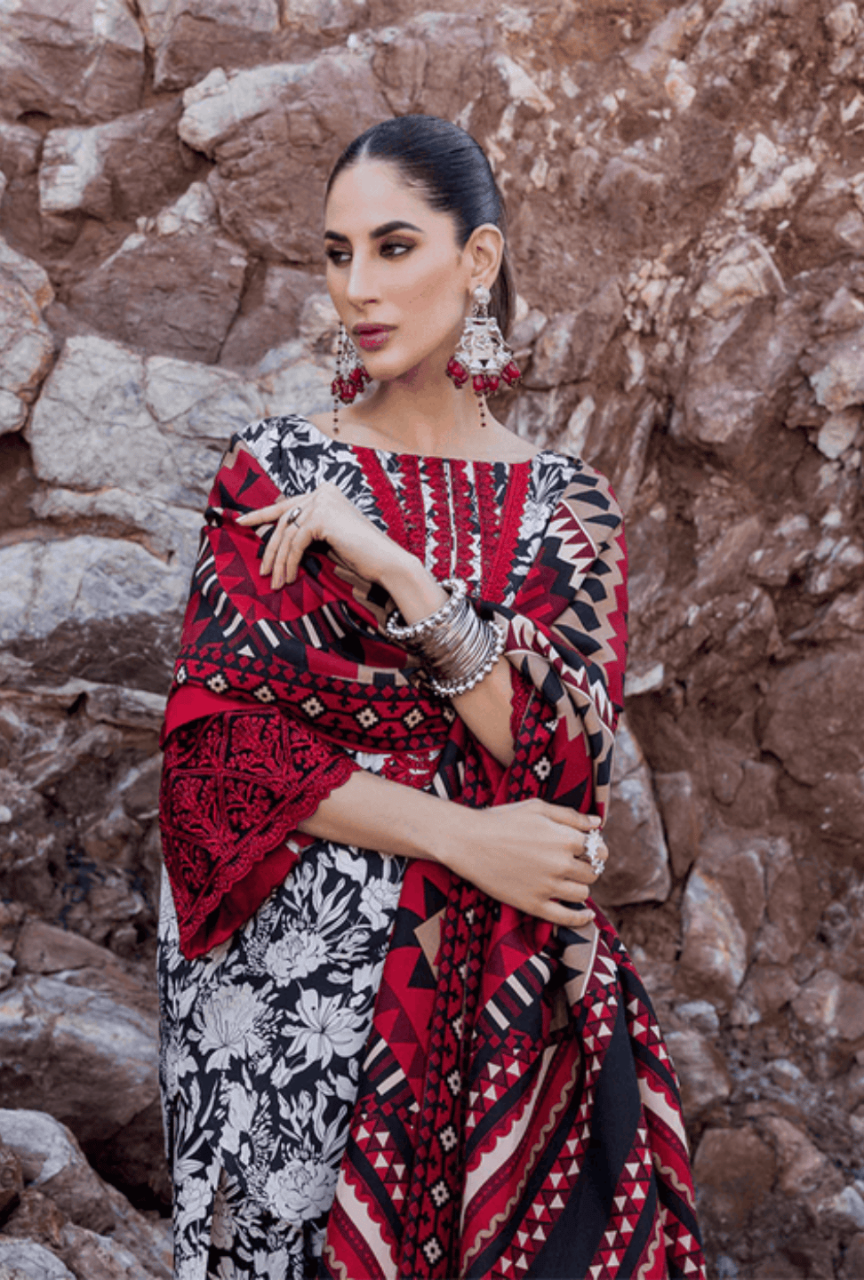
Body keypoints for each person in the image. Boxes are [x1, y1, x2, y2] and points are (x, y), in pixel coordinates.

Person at [157, 115, 706, 1280]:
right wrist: (467, 835)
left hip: (506, 1002)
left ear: (480, 259)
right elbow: (220, 758)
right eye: (336, 252)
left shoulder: (573, 506)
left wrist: (400, 575)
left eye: (394, 246)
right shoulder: (273, 472)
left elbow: (559, 757)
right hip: (300, 1010)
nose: (359, 288)